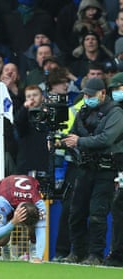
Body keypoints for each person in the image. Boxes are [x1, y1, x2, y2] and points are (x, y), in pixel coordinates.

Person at [61, 78, 123, 265]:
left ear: (103, 93)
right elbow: (72, 134)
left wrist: (79, 142)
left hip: (106, 169)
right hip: (84, 168)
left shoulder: (116, 112)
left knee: (97, 213)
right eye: (85, 94)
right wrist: (60, 141)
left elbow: (106, 139)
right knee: (76, 212)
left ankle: (95, 254)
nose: (87, 98)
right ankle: (77, 252)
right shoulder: (83, 111)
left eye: (90, 94)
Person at [0, 174, 47, 263]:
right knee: (1, 240)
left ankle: (34, 251)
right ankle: (6, 249)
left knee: (35, 226)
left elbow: (41, 230)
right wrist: (13, 222)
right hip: (8, 192)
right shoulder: (3, 203)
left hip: (26, 190)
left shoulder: (39, 204)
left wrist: (38, 257)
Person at [103, 72, 123, 267]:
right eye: (114, 89)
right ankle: (117, 254)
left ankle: (118, 255)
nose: (116, 92)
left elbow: (108, 138)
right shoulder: (115, 110)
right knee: (118, 206)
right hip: (119, 163)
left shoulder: (117, 112)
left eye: (119, 88)